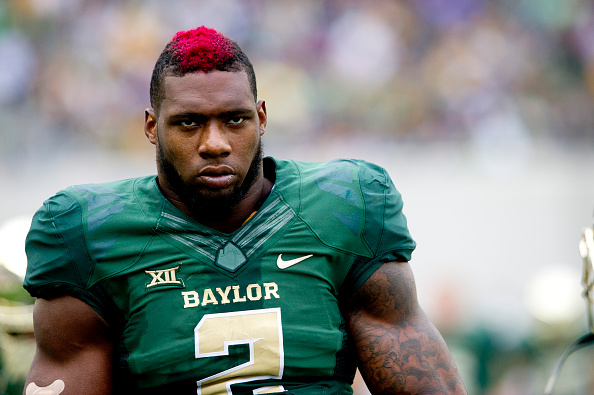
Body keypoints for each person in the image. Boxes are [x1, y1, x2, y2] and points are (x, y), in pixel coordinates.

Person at [22, 26, 467, 394]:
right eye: (189, 122)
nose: (214, 144)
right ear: (152, 127)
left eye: (234, 119)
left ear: (262, 118)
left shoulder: (344, 207)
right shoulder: (89, 232)